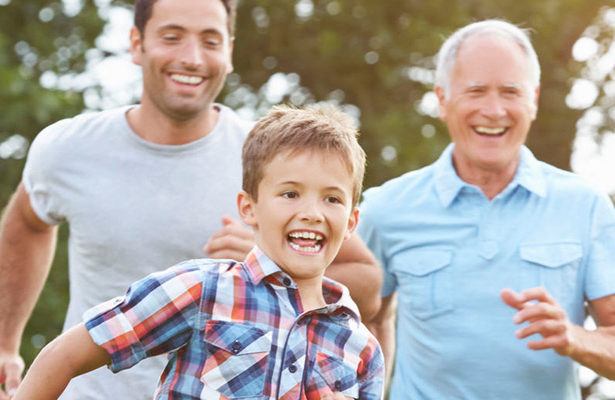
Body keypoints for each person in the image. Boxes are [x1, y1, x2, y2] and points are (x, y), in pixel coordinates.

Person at [0, 0, 382, 399]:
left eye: (210, 40)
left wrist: (269, 261)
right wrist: (5, 343)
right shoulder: (69, 148)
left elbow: (367, 283)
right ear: (137, 43)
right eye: (172, 37)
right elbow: (28, 222)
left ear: (229, 51)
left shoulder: (279, 156)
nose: (192, 57)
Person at [359, 19, 615, 400]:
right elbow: (355, 322)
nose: (494, 110)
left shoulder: (586, 205)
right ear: (442, 99)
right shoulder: (385, 208)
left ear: (534, 99)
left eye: (511, 92)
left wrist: (575, 338)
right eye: (476, 91)